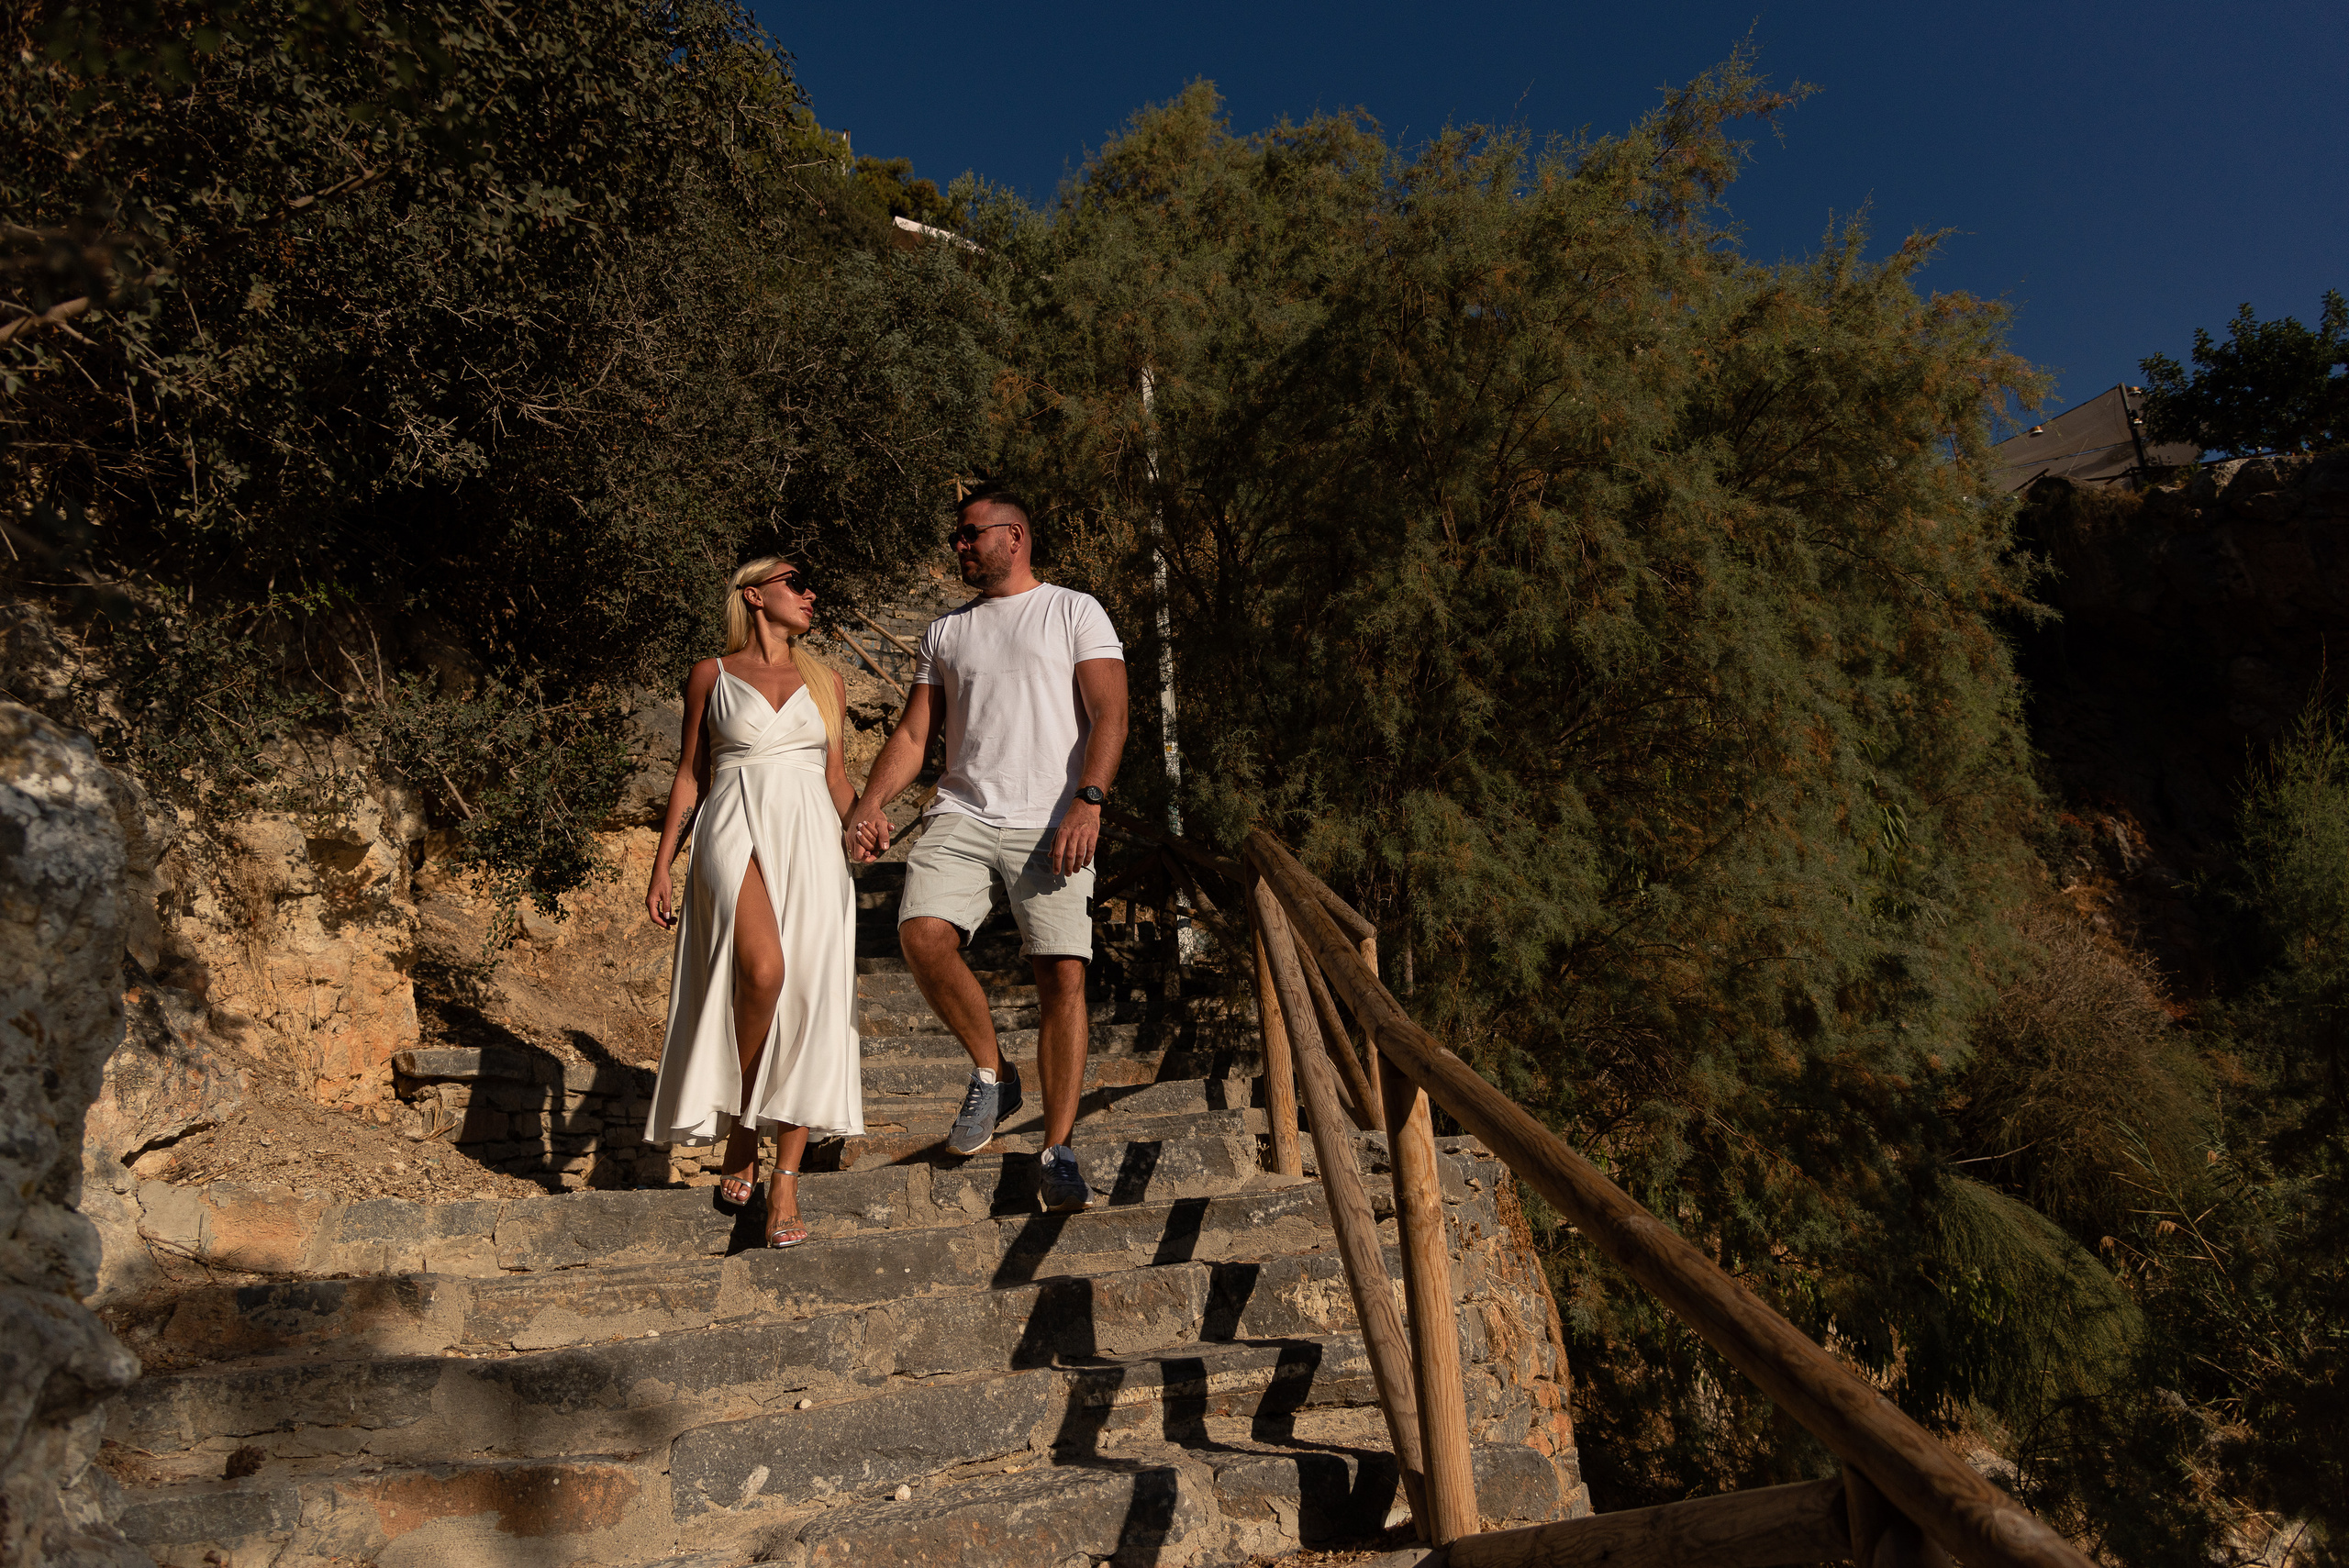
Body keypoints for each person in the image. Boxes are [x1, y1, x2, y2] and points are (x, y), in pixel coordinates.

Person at [845, 485, 1128, 1212]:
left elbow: (1110, 712)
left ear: (1016, 536)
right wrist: (870, 801)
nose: (961, 548)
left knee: (1061, 976)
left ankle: (1058, 1148)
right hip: (964, 810)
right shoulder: (945, 632)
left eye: (971, 535)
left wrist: (1089, 801)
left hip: (1054, 816)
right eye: (958, 539)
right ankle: (994, 1071)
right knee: (921, 933)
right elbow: (914, 735)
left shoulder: (1074, 610)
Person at [643, 554, 863, 1248]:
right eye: (796, 583)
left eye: (808, 583)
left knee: (809, 998)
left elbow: (834, 777)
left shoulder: (829, 683)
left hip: (813, 839)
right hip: (731, 824)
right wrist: (661, 865)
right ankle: (743, 1120)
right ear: (754, 595)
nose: (810, 592)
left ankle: (784, 1179)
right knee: (764, 971)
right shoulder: (711, 673)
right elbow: (690, 773)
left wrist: (867, 819)